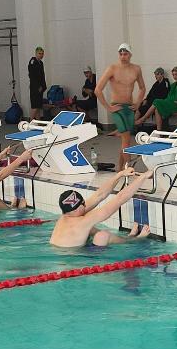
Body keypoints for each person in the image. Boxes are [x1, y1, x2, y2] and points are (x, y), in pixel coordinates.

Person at [49, 168, 155, 248]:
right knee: (103, 235)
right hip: (82, 261)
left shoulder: (65, 216)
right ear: (77, 209)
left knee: (91, 230)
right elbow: (120, 198)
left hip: (66, 254)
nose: (86, 205)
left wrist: (120, 175)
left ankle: (131, 236)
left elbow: (99, 195)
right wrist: (143, 177)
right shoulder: (84, 221)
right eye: (84, 204)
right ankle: (134, 239)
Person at [95, 43, 146, 171]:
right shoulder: (112, 68)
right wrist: (109, 108)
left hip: (129, 108)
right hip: (117, 108)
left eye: (125, 54)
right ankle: (129, 169)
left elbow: (142, 88)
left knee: (126, 140)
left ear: (130, 54)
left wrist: (138, 103)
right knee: (125, 138)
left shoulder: (136, 69)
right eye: (121, 54)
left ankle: (120, 169)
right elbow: (98, 90)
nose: (123, 56)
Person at [28, 47, 47, 121]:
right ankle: (30, 123)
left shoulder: (41, 63)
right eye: (39, 53)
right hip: (35, 88)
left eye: (42, 54)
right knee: (35, 107)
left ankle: (38, 122)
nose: (41, 55)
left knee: (38, 106)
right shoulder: (32, 62)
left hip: (40, 88)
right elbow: (32, 76)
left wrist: (43, 86)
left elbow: (42, 76)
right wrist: (37, 87)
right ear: (36, 53)